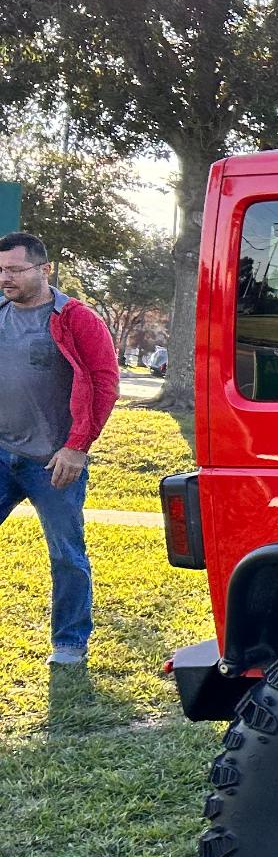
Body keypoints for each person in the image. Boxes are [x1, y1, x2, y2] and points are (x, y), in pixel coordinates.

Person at [1, 230, 121, 665]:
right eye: (0, 270)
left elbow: (104, 382)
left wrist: (77, 446)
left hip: (53, 461)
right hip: (1, 452)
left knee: (66, 554)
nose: (5, 278)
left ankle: (69, 642)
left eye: (14, 269)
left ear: (43, 268)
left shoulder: (75, 318)